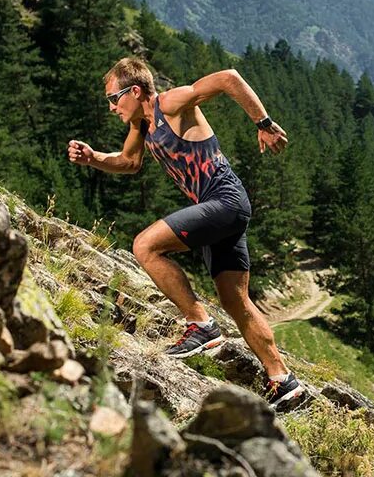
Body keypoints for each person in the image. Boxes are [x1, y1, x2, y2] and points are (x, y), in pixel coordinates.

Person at [66, 57, 303, 407]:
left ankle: (200, 324)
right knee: (236, 300)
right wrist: (93, 158)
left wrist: (263, 123)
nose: (112, 107)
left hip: (225, 199)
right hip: (224, 208)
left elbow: (228, 77)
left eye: (113, 99)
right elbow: (129, 162)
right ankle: (283, 381)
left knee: (145, 246)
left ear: (134, 91)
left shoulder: (170, 103)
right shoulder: (142, 126)